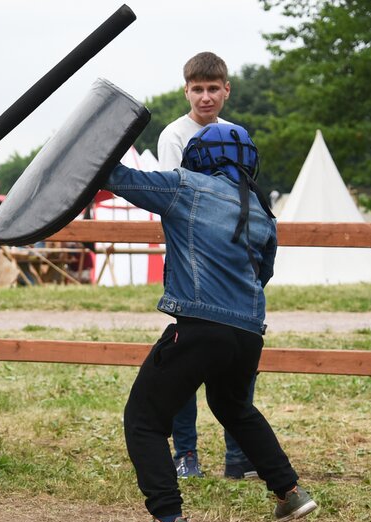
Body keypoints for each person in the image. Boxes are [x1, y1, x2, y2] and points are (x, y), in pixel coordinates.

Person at [108, 123, 317, 522]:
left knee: (143, 419)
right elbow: (263, 275)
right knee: (233, 406)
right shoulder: (262, 211)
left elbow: (117, 178)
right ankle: (289, 492)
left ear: (199, 157)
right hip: (248, 334)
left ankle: (168, 521)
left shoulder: (186, 186)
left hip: (202, 327)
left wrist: (96, 142)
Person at [157, 52, 256, 481]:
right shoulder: (174, 136)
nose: (205, 96)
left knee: (236, 359)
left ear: (226, 90)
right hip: (191, 261)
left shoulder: (236, 136)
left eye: (213, 88)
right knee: (185, 361)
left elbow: (243, 196)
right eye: (197, 88)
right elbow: (172, 195)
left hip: (231, 260)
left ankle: (238, 454)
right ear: (186, 90)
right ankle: (186, 454)